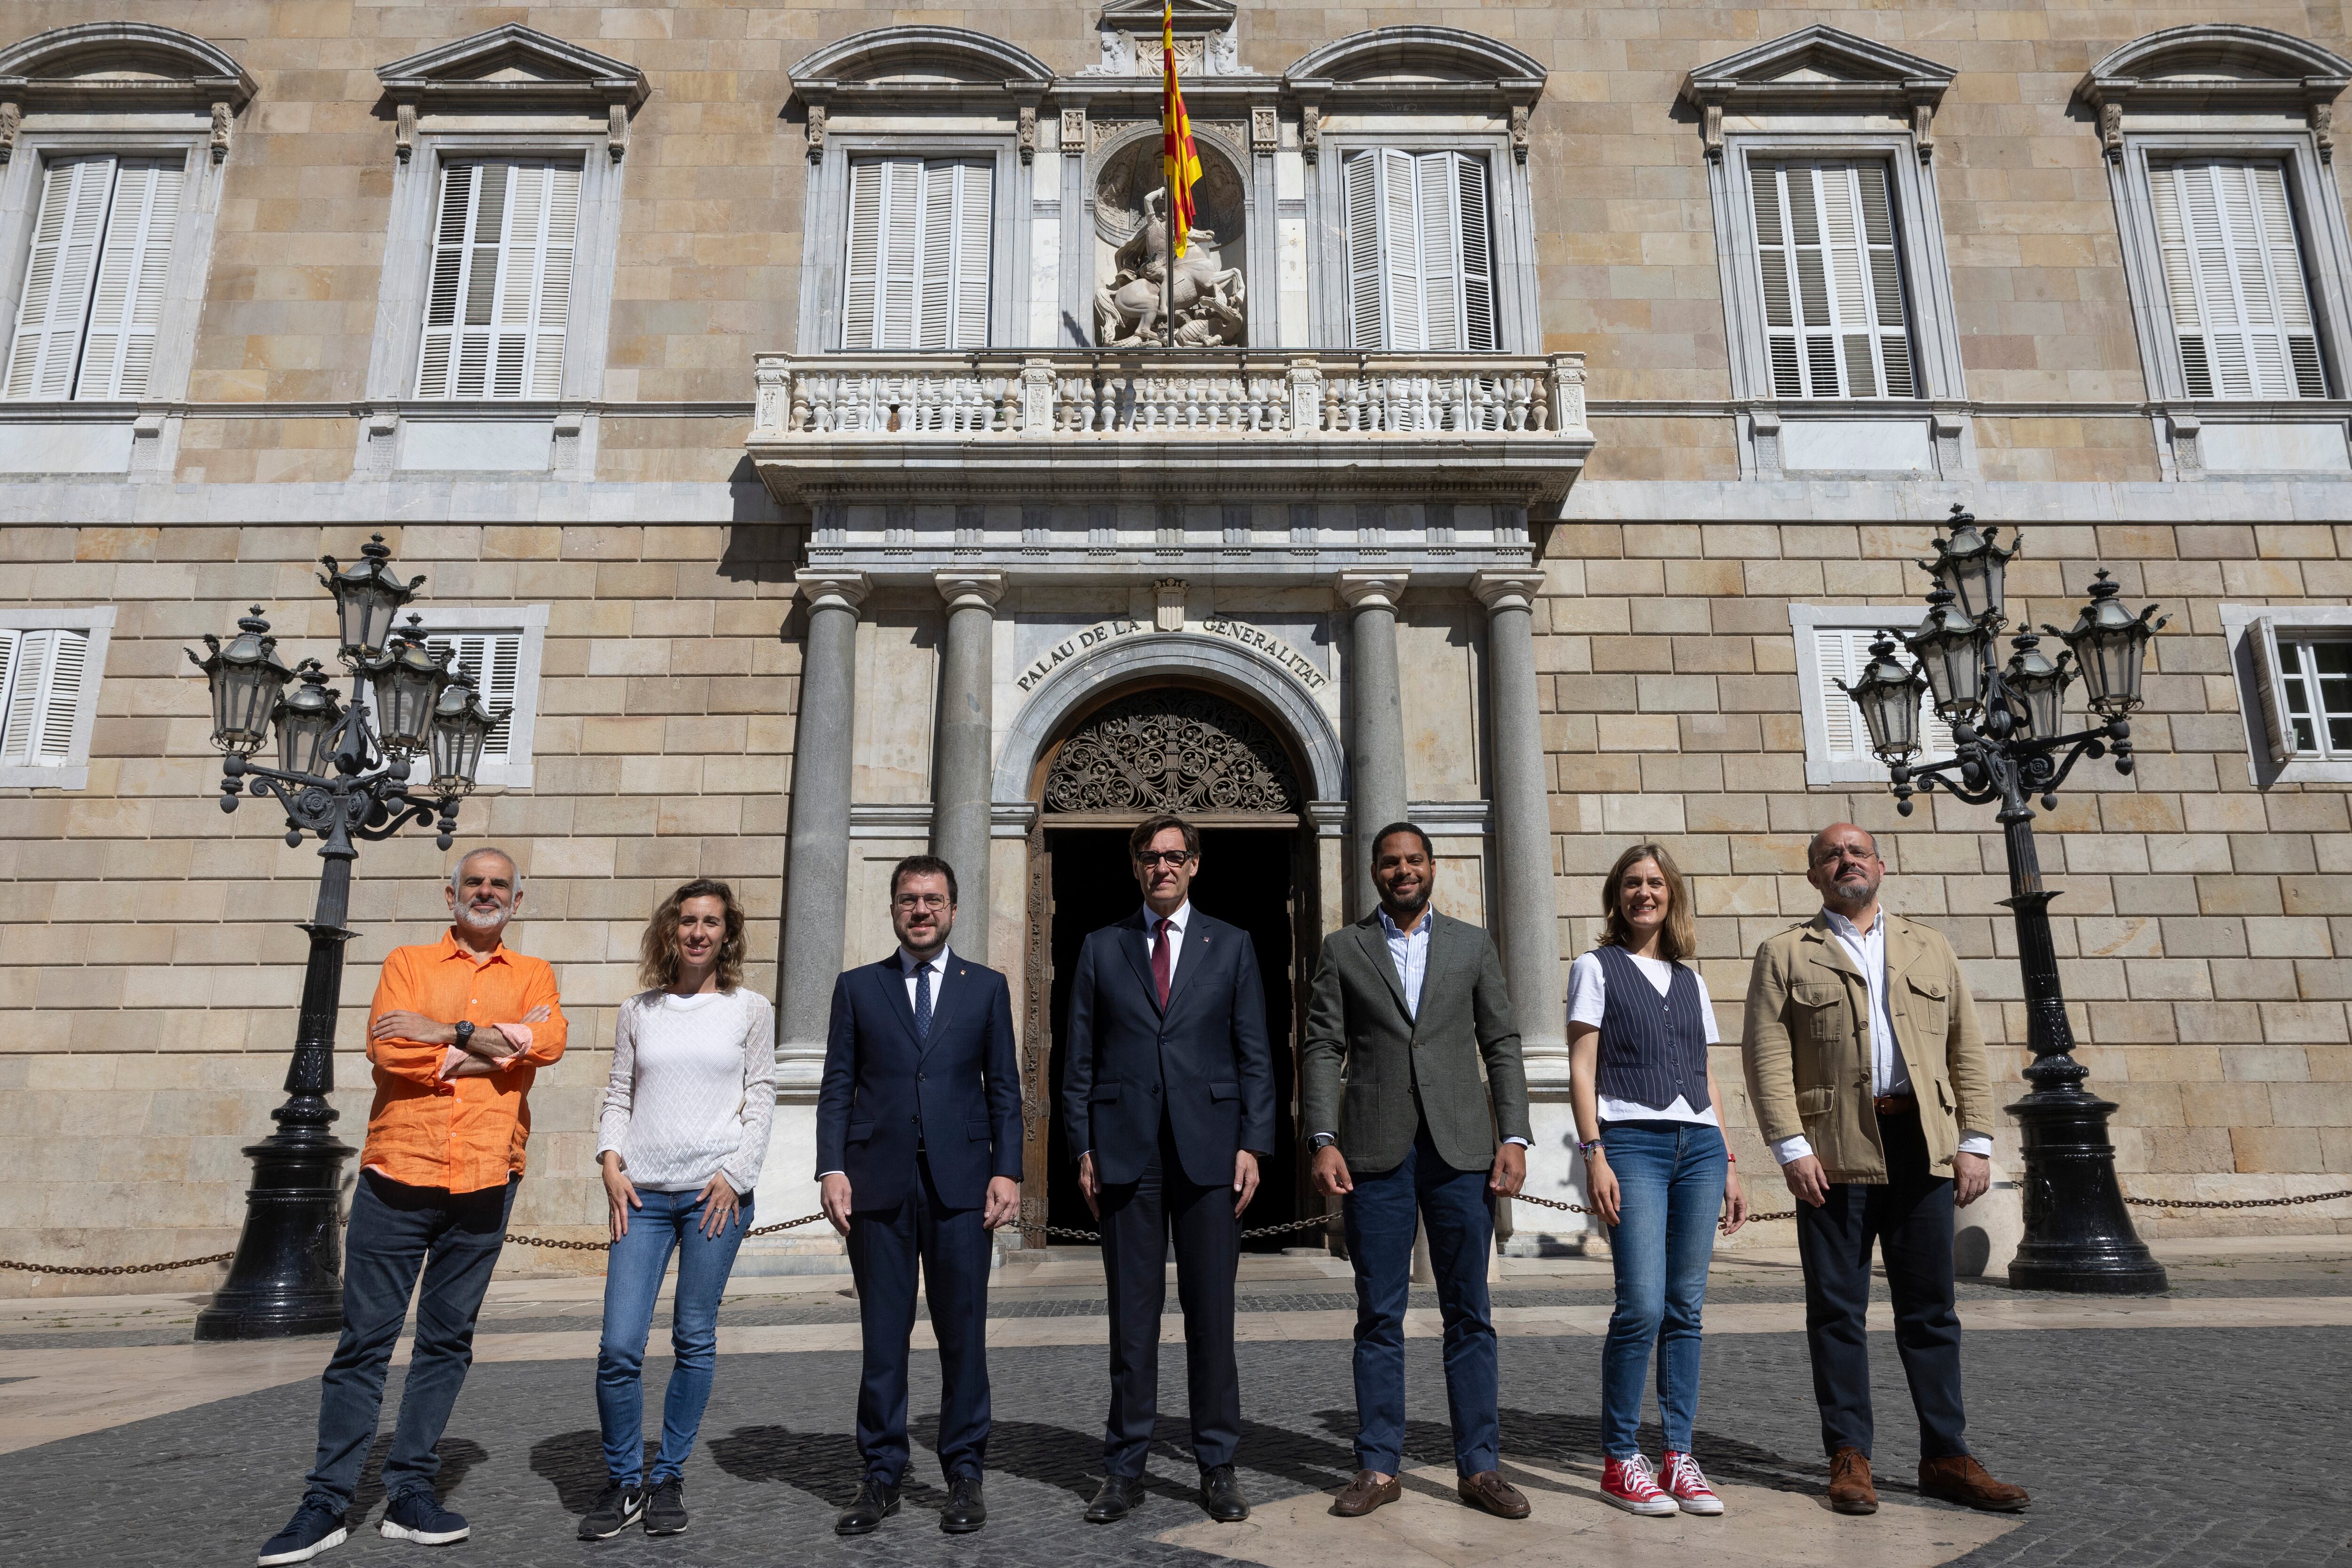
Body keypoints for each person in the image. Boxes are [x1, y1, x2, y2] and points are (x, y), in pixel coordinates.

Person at [259, 848, 566, 1566]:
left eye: (499, 885)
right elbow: (390, 1048)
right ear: (451, 892)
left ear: (517, 900)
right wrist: (499, 1050)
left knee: (446, 1341)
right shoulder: (406, 961)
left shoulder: (534, 975)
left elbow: (549, 1042)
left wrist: (451, 1033)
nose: (485, 893)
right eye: (474, 883)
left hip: (488, 1178)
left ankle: (409, 1490)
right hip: (400, 1171)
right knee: (365, 1340)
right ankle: (327, 1500)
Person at [1740, 823, 2030, 1516]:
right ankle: (1849, 1455)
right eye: (1830, 855)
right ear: (1814, 875)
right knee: (1837, 1311)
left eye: (1857, 851)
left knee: (1931, 1309)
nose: (1846, 861)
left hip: (1922, 1146)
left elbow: (1967, 1046)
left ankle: (1947, 1454)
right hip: (1834, 1153)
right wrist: (1791, 1146)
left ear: (1881, 865)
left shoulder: (1931, 947)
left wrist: (1978, 1139)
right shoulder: (1784, 952)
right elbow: (1767, 1057)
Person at [1300, 822, 1533, 1522]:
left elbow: (1502, 1041)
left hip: (1462, 1151)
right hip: (1374, 1153)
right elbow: (1321, 1044)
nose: (1403, 872)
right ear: (1374, 871)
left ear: (1432, 867)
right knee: (1379, 1314)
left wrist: (1514, 1135)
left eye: (1413, 861)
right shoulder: (1344, 948)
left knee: (1470, 1313)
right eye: (1391, 863)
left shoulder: (1472, 944)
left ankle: (1481, 1466)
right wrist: (1322, 1137)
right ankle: (1377, 1465)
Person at [1060, 814, 1275, 1525]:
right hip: (1126, 1154)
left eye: (1174, 855)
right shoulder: (1100, 947)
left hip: (1212, 1152)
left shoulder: (1234, 944)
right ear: (1135, 866)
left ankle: (1217, 1465)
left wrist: (1255, 1143)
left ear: (1195, 864)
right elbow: (1079, 1061)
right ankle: (1124, 1467)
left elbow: (1255, 1054)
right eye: (1150, 856)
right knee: (1133, 1320)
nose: (1162, 866)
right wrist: (1083, 1147)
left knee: (1213, 1318)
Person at [816, 855, 1021, 1536]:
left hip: (963, 1187)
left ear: (954, 909)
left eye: (933, 899)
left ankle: (965, 1472)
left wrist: (1008, 1170)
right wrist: (831, 1168)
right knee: (883, 1339)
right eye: (909, 899)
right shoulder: (858, 987)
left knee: (963, 1337)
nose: (921, 910)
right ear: (894, 909)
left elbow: (1005, 1089)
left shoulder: (986, 988)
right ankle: (880, 1473)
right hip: (878, 1186)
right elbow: (837, 1087)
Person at [577, 879, 775, 1541]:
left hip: (713, 1195)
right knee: (618, 1346)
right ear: (671, 929)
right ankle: (623, 1479)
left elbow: (762, 1096)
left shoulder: (750, 1008)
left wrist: (737, 1176)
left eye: (710, 921)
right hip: (642, 1194)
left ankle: (669, 1477)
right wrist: (609, 1159)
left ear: (728, 933)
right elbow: (617, 1096)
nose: (697, 931)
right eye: (687, 920)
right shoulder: (640, 1009)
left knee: (693, 1337)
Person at [1566, 843, 1748, 1517]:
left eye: (1657, 883)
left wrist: (1729, 1161)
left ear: (1672, 894)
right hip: (1631, 1143)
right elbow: (1582, 1068)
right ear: (1618, 894)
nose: (1646, 892)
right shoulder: (1596, 967)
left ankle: (1678, 1455)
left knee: (1686, 1308)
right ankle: (1620, 1458)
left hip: (1699, 1144)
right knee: (1640, 1303)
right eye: (1634, 883)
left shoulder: (1690, 980)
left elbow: (1706, 1077)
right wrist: (1595, 1153)